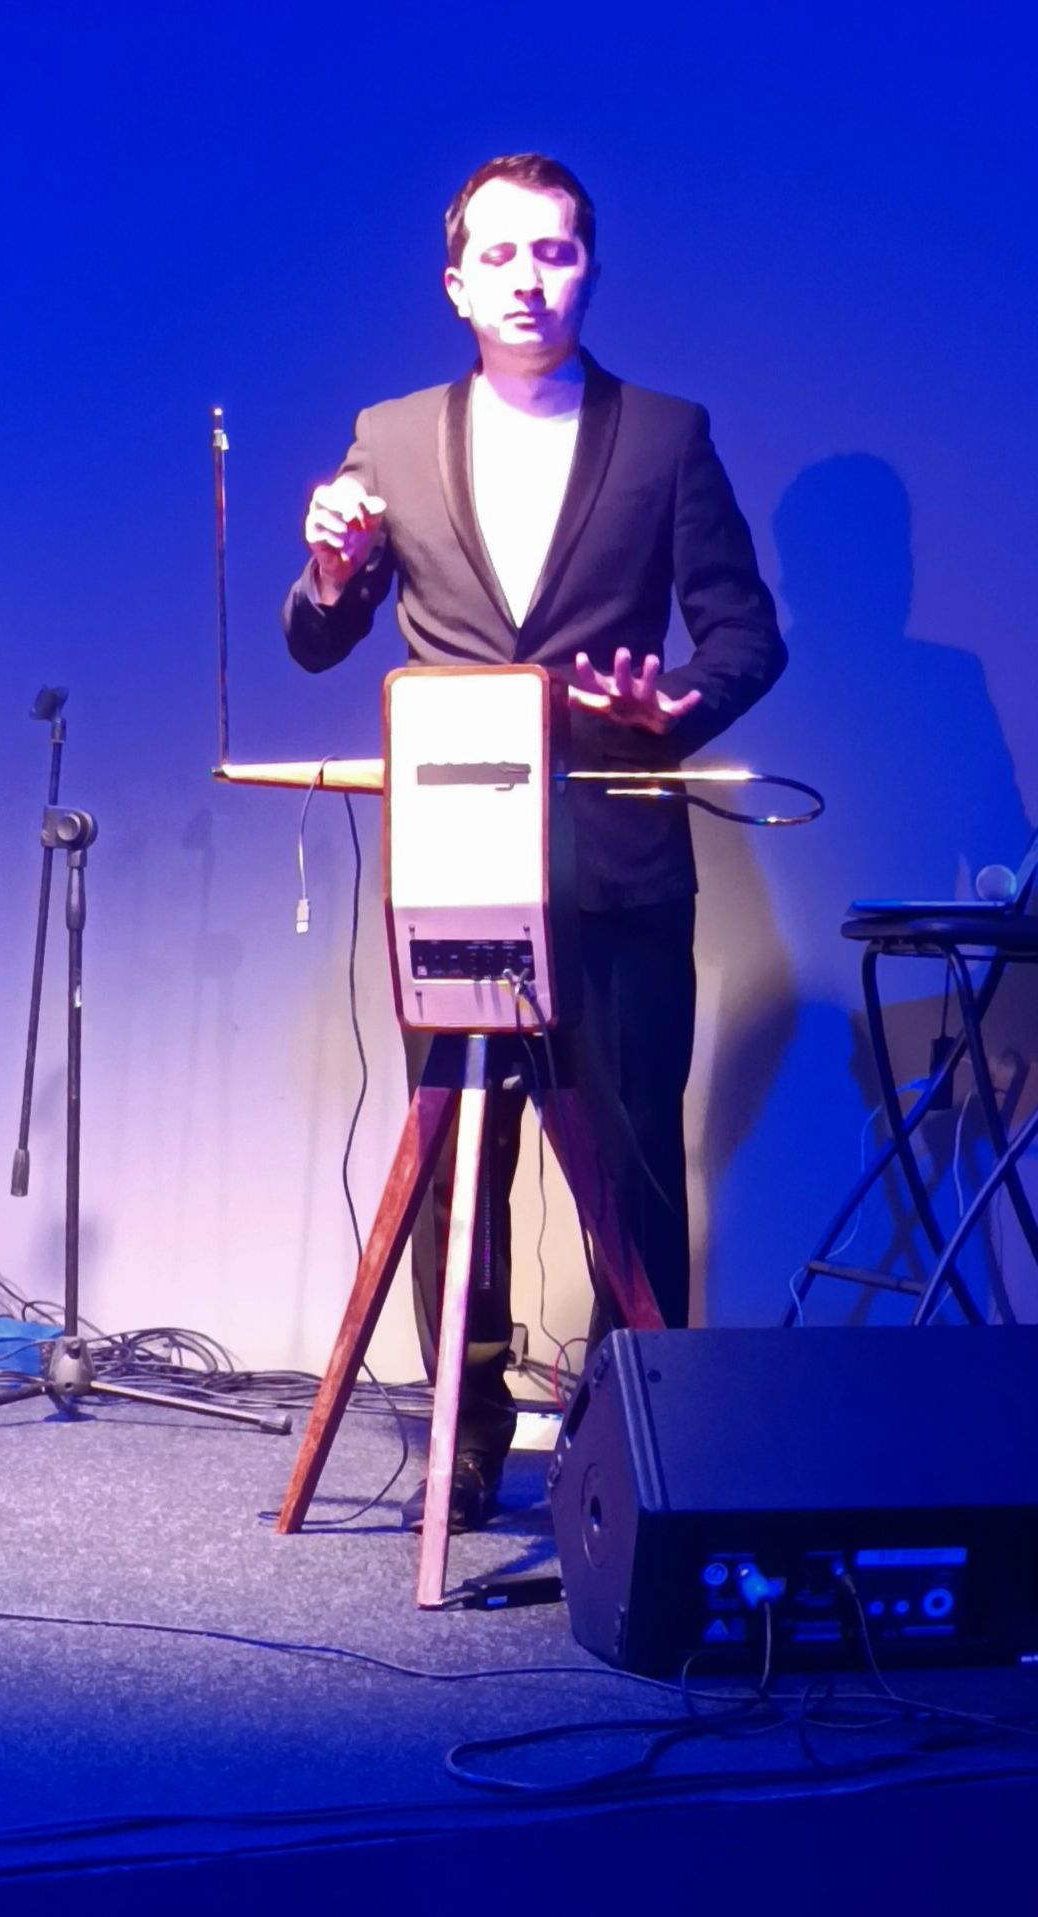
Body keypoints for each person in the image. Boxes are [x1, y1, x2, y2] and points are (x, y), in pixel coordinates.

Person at [282, 152, 786, 1530]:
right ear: (454, 284)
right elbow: (318, 635)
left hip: (618, 859)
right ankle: (464, 1438)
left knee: (631, 1161)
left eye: (553, 252)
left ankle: (643, 1441)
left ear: (589, 270)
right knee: (459, 1166)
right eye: (498, 255)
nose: (527, 278)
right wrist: (329, 572)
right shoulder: (388, 437)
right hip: (458, 860)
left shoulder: (665, 436)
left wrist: (676, 704)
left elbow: (745, 637)